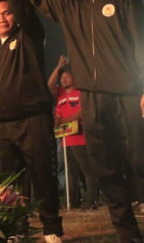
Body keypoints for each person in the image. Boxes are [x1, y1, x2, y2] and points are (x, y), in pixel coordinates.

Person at [0, 0, 144, 243]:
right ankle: (128, 235)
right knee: (107, 170)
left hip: (130, 95)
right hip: (92, 98)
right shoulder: (71, 6)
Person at [0, 0, 63, 242]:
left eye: (7, 12)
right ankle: (17, 228)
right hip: (3, 125)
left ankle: (51, 229)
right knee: (9, 181)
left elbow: (28, 13)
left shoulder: (28, 38)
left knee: (42, 174)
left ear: (16, 14)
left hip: (33, 118)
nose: (2, 19)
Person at [47, 56, 99, 210]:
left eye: (67, 76)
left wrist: (64, 120)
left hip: (81, 137)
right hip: (65, 139)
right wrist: (59, 66)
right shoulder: (61, 94)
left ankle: (92, 200)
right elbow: (50, 84)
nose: (63, 79)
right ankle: (73, 200)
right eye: (62, 77)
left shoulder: (81, 92)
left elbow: (83, 112)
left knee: (87, 170)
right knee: (71, 172)